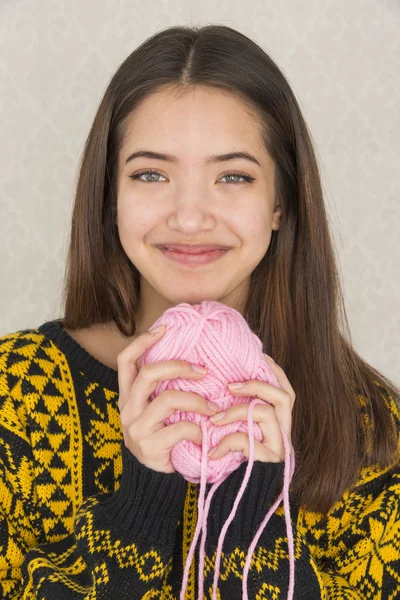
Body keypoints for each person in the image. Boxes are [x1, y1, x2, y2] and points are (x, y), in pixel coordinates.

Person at [0, 23, 399, 600]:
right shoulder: (16, 397)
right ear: (110, 198)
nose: (190, 217)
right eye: (151, 175)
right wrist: (142, 498)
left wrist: (255, 510)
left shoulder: (368, 430)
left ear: (280, 204)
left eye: (233, 176)